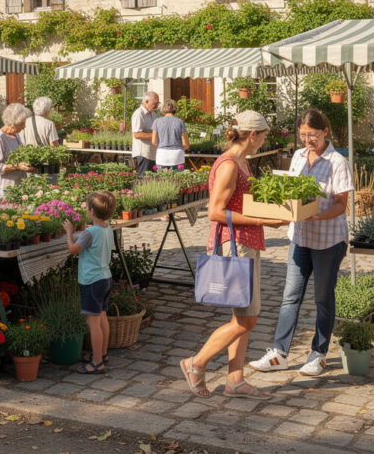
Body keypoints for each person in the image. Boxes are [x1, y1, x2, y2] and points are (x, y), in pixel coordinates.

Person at [179, 110, 287, 400]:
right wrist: (263, 220)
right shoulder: (229, 165)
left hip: (247, 242)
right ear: (252, 135)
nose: (263, 142)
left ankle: (235, 381)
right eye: (263, 137)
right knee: (247, 320)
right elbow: (215, 212)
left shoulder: (242, 161)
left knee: (242, 315)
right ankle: (196, 363)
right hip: (237, 244)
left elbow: (241, 202)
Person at [250, 109, 353, 377]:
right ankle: (279, 353)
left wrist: (317, 214)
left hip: (328, 240)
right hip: (299, 237)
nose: (308, 140)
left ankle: (318, 354)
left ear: (325, 131)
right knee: (290, 296)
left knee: (323, 298)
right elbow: (291, 192)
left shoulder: (338, 162)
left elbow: (341, 204)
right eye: (304, 135)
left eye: (313, 135)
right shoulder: (297, 156)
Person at [64, 191, 116, 374]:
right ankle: (102, 354)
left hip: (91, 281)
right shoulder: (107, 228)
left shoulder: (89, 233)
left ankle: (96, 362)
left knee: (93, 323)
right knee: (102, 318)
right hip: (105, 278)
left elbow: (73, 250)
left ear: (92, 211)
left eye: (87, 207)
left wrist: (69, 233)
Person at [0, 103, 34, 198]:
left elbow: (20, 159)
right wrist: (17, 166)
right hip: (4, 188)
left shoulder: (16, 136)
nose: (24, 126)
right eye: (22, 123)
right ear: (13, 123)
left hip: (17, 186)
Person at [151, 99, 189, 171]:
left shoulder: (157, 121)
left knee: (162, 178)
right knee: (178, 178)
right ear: (175, 108)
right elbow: (186, 144)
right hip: (177, 156)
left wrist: (162, 144)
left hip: (162, 155)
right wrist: (180, 148)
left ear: (163, 108)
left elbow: (154, 141)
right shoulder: (180, 122)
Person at [131, 92, 159, 175]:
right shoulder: (139, 114)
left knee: (152, 180)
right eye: (155, 103)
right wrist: (155, 135)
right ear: (146, 101)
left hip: (152, 153)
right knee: (143, 179)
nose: (157, 106)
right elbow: (137, 134)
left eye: (158, 103)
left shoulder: (153, 113)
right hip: (143, 154)